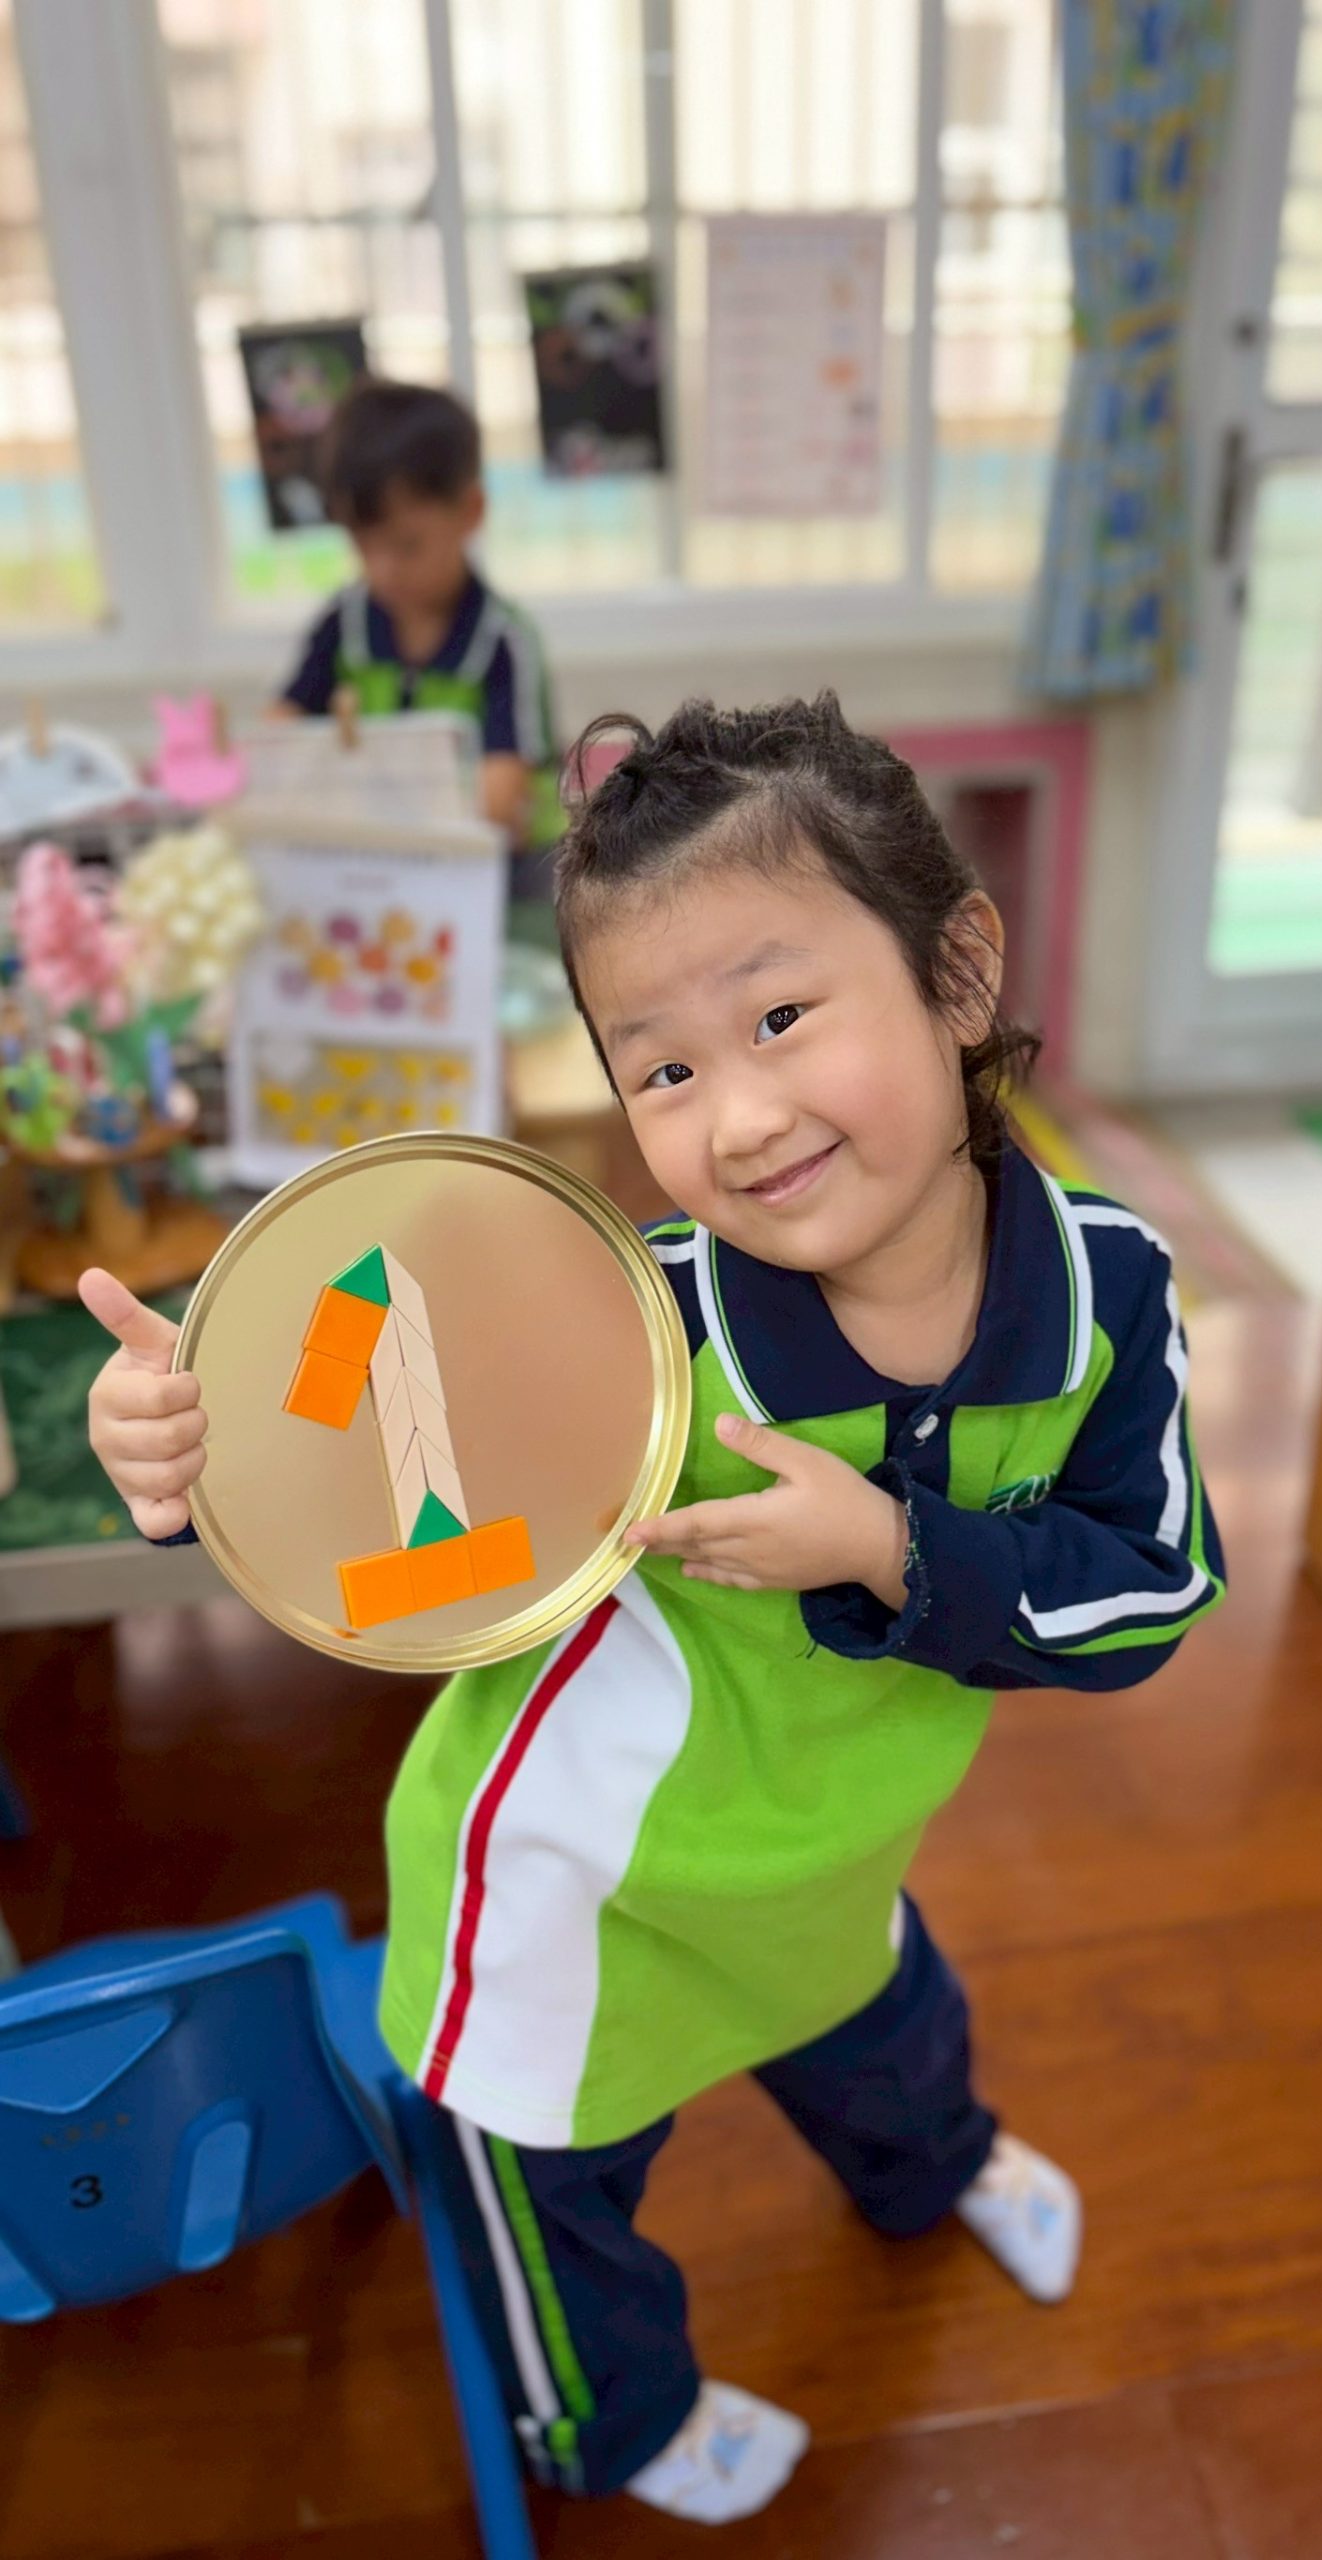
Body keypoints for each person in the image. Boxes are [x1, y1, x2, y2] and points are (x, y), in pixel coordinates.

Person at [84, 693, 1225, 2527]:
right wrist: (182, 1451)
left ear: (957, 970)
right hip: (576, 1882)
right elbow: (369, 1451)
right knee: (544, 2184)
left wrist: (894, 1547)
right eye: (664, 1071)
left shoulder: (1111, 1292)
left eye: (778, 1019)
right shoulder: (627, 1327)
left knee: (890, 2031)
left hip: (827, 1837)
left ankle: (936, 2169)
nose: (741, 1117)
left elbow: (1152, 1591)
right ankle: (613, 2420)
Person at [277, 375, 564, 867]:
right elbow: (281, 733)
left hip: (499, 865)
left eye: (407, 545)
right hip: (381, 856)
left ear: (470, 512)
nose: (383, 570)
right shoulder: (343, 624)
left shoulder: (503, 642)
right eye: (362, 544)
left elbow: (499, 802)